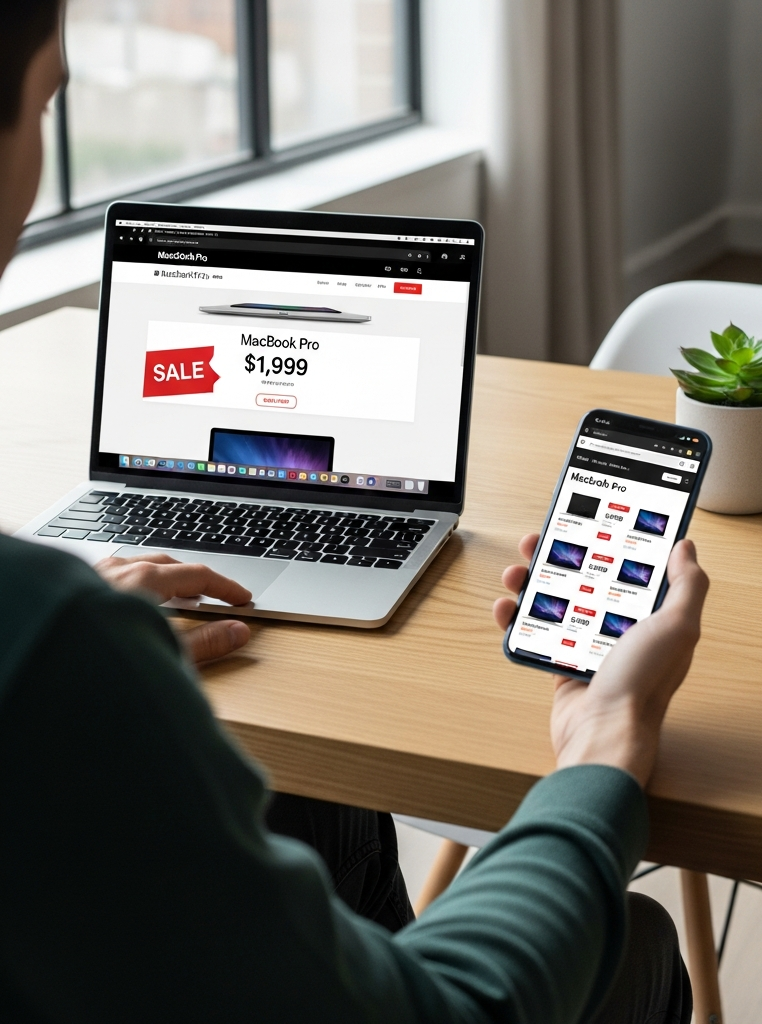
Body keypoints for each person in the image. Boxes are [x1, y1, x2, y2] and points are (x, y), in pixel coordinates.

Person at [0, 5, 710, 1022]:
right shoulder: (50, 650)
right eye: (49, 99)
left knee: (302, 784)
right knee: (632, 942)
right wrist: (607, 738)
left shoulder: (50, 626)